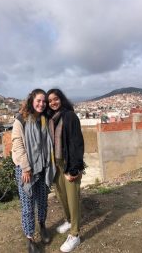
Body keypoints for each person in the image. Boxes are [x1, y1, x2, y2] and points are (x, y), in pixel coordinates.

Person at [12, 89, 56, 253]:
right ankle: (30, 238)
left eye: (44, 102)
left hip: (43, 167)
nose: (41, 104)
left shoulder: (44, 119)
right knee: (27, 205)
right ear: (31, 100)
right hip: (26, 170)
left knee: (43, 201)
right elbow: (18, 145)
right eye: (39, 100)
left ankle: (42, 225)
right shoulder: (20, 120)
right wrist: (26, 168)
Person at [46, 88, 84, 253]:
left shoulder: (70, 116)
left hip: (69, 164)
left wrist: (74, 169)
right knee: (61, 196)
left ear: (61, 99)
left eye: (56, 99)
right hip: (56, 164)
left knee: (72, 198)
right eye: (50, 101)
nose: (53, 102)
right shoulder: (50, 119)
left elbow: (77, 143)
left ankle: (75, 234)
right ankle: (68, 220)